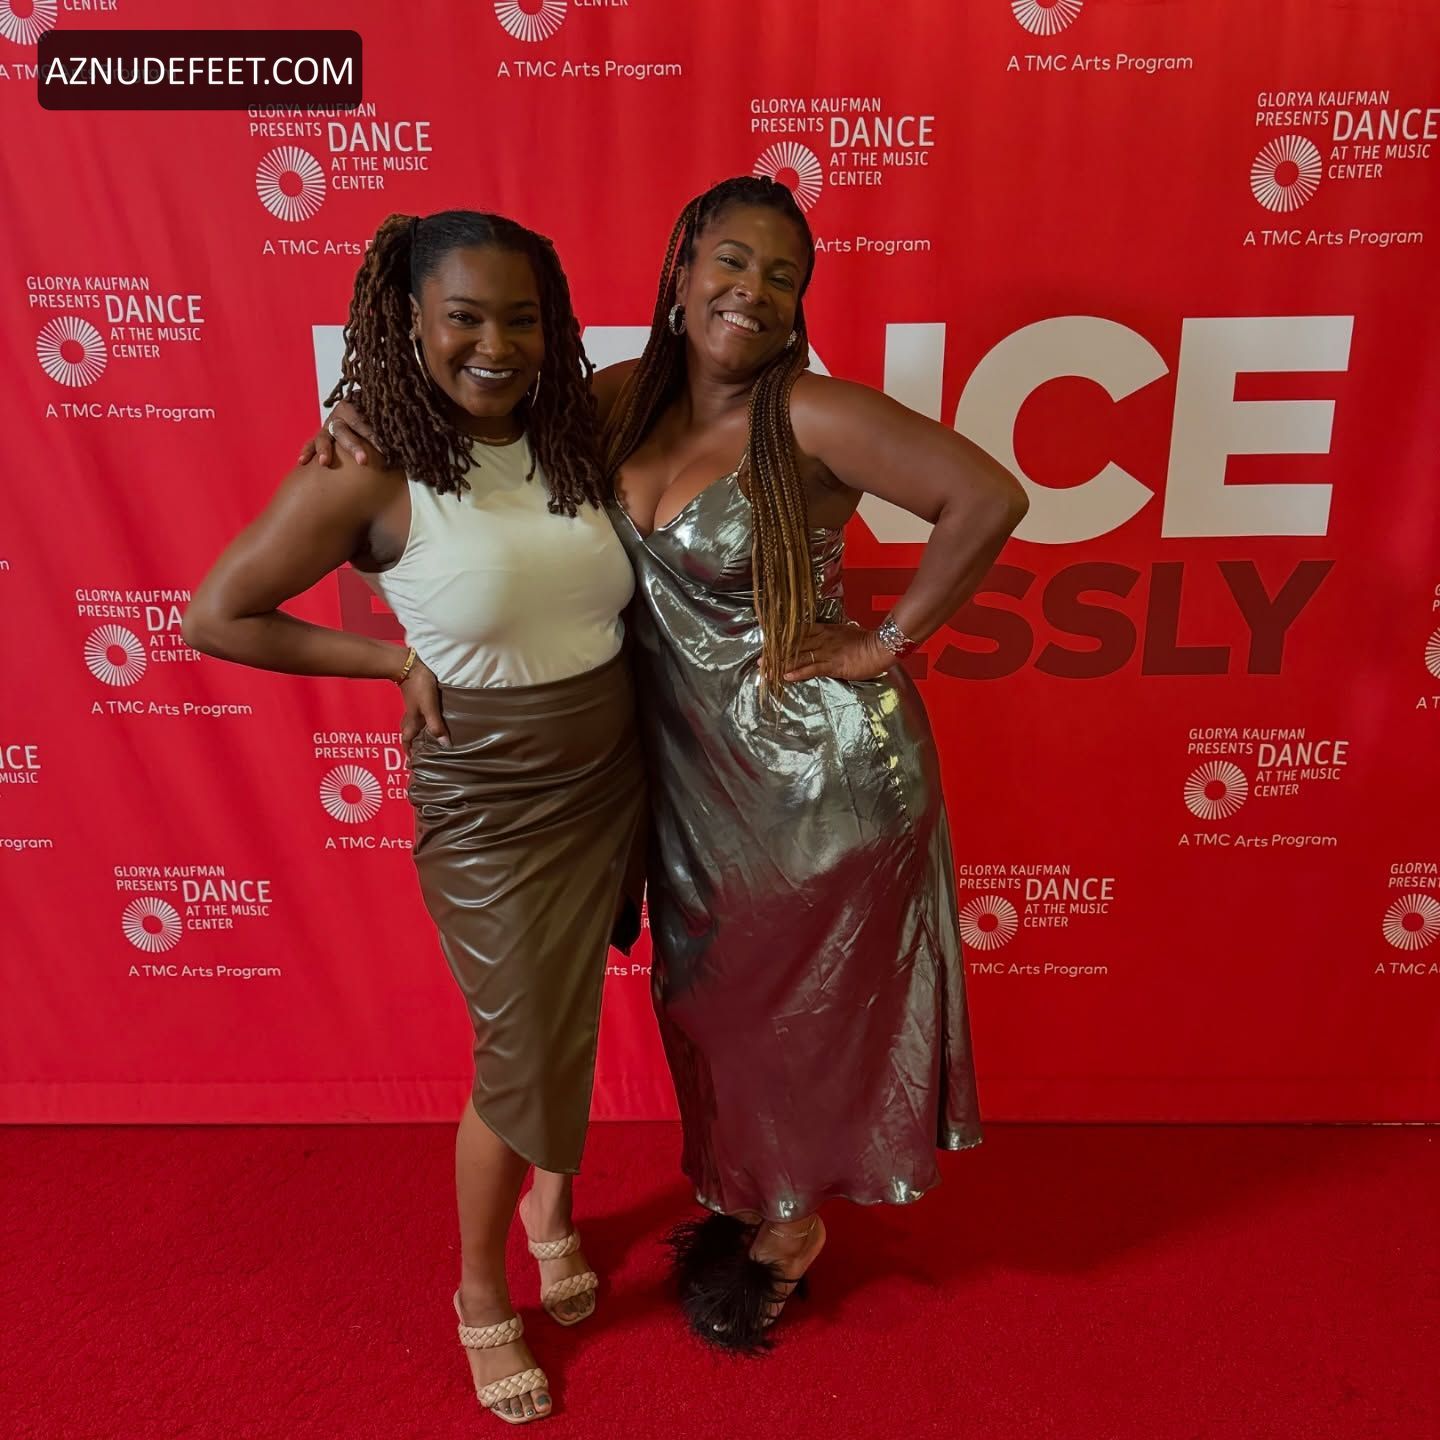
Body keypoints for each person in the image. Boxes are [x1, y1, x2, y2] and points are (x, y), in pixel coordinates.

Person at [314, 176, 1028, 1353]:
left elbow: (987, 496)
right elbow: (466, 412)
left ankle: (786, 1231)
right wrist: (354, 417)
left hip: (819, 780)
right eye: (732, 261)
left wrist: (884, 643)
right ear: (682, 270)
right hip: (686, 774)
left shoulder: (811, 414)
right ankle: (756, 1193)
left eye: (783, 276)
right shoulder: (612, 401)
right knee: (712, 1004)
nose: (753, 291)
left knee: (797, 1017)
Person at [185, 210, 644, 1423]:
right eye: (465, 319)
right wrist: (389, 663)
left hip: (611, 772)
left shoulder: (578, 428)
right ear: (410, 322)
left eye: (522, 319)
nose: (496, 345)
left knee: (571, 1009)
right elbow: (217, 614)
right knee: (517, 1046)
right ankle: (480, 1293)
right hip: (488, 797)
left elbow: (708, 371)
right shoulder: (367, 465)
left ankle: (553, 1205)